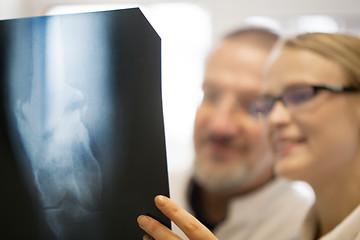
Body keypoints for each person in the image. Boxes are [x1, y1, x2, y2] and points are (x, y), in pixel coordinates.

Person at [138, 32, 360, 240]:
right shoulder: (139, 195)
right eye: (212, 95)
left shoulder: (295, 223)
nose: (220, 126)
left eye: (253, 104)